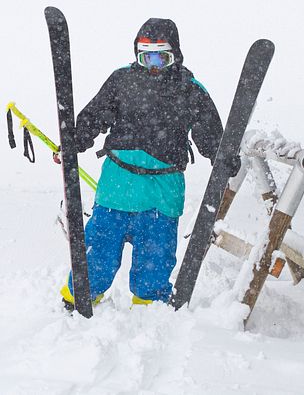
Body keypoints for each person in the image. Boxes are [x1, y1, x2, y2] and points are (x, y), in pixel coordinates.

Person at [60, 18, 224, 309]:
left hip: (161, 193)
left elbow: (211, 136)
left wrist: (222, 158)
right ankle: (78, 298)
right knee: (98, 252)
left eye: (161, 57)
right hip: (117, 187)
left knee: (155, 260)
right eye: (145, 57)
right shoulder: (122, 80)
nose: (153, 65)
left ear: (175, 54)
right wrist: (74, 141)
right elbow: (93, 117)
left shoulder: (190, 89)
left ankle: (150, 308)